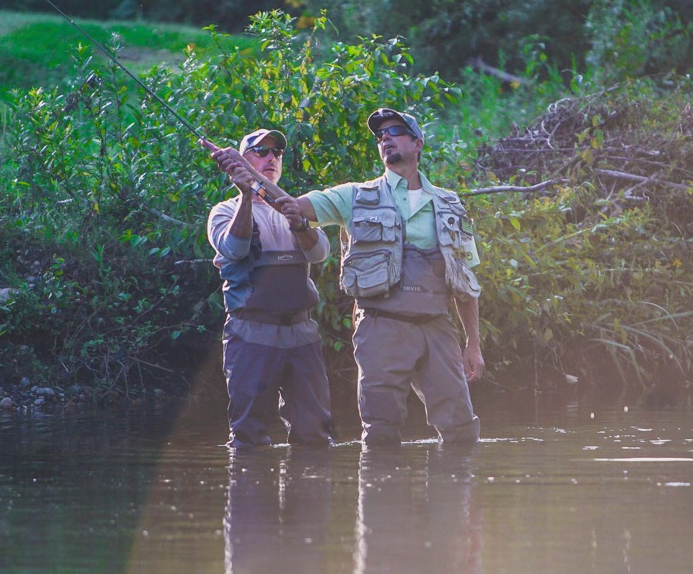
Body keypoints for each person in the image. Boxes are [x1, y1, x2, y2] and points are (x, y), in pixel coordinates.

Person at [210, 108, 484, 447]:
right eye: (380, 135)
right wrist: (249, 176)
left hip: (438, 328)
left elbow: (466, 279)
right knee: (381, 435)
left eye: (395, 131)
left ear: (417, 143)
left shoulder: (451, 204)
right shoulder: (352, 195)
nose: (385, 138)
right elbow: (290, 206)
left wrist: (473, 342)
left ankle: (458, 497)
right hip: (380, 325)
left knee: (462, 432)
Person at [206, 128, 334, 448]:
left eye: (276, 153)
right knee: (248, 436)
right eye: (260, 151)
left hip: (302, 332)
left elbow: (320, 254)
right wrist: (248, 195)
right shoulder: (223, 211)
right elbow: (234, 250)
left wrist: (300, 223)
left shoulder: (295, 207)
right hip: (251, 332)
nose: (270, 158)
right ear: (244, 160)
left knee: (315, 435)